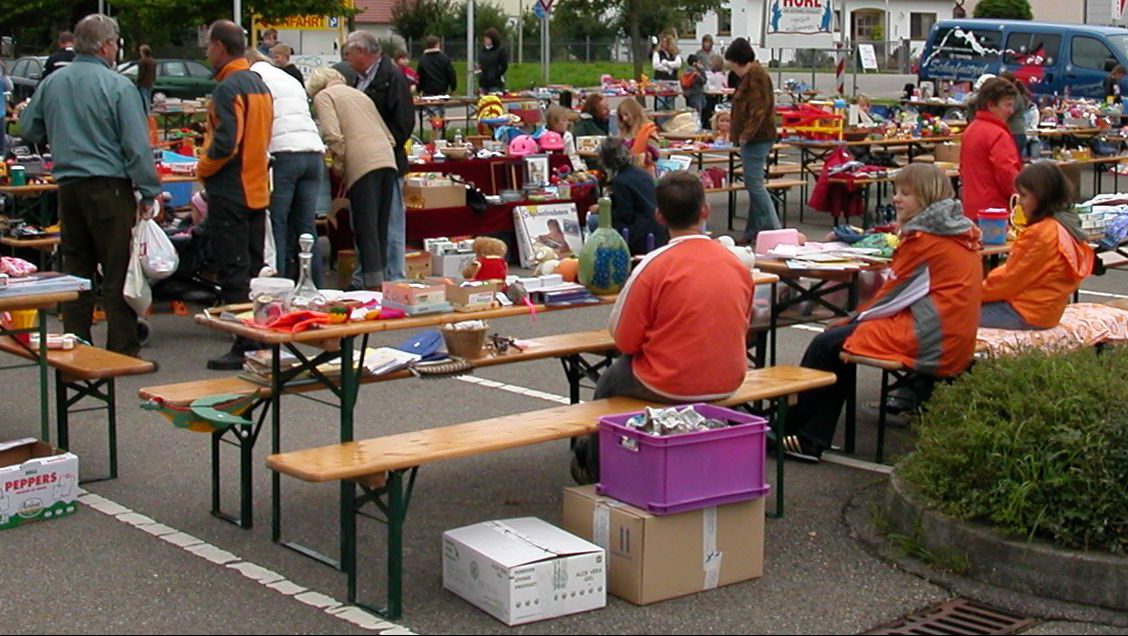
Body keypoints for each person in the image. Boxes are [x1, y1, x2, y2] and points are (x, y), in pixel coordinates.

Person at [779, 164, 982, 463]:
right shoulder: (954, 230)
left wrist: (852, 318)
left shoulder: (926, 240)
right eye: (895, 192)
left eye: (905, 193)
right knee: (838, 339)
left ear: (926, 198)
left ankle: (803, 435)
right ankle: (806, 433)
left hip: (931, 335)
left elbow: (895, 296)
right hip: (951, 330)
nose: (896, 199)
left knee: (829, 344)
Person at [571, 171, 754, 483]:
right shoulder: (737, 264)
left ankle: (594, 462)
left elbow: (625, 340)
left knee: (609, 381)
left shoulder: (655, 265)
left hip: (668, 382)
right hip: (729, 377)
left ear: (659, 215)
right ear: (705, 210)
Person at [20, 14, 161, 358]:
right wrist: (148, 190)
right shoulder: (117, 86)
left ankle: (77, 342)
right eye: (115, 43)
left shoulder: (53, 82)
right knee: (117, 270)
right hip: (110, 186)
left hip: (69, 186)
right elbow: (136, 145)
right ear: (106, 45)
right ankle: (122, 348)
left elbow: (28, 129)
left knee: (77, 269)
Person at [198, 20, 275, 370]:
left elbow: (226, 143)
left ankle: (244, 343)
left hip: (232, 189)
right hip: (257, 186)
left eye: (208, 45)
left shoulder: (229, 87)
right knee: (253, 269)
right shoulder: (259, 84)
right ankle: (257, 336)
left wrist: (202, 167)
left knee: (233, 271)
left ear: (219, 46)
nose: (205, 51)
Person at [307, 68, 398, 290]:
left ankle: (372, 287)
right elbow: (388, 135)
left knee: (366, 227)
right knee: (381, 226)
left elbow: (333, 135)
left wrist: (338, 165)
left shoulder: (324, 97)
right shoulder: (359, 94)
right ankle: (383, 281)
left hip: (362, 162)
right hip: (387, 158)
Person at [981, 162, 1093, 330]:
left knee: (949, 316)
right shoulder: (1066, 224)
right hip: (1048, 311)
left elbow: (1010, 279)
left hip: (1025, 313)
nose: (1019, 202)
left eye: (1024, 195)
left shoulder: (1041, 233)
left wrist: (972, 294)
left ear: (1042, 197)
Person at [246, 49, 325, 286]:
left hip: (283, 155)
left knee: (277, 224)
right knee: (306, 227)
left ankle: (278, 287)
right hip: (312, 151)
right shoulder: (288, 78)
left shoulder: (252, 78)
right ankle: (316, 285)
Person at [344, 30, 414, 282]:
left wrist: (385, 146)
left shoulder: (392, 77)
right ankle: (367, 275)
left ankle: (394, 277)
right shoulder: (358, 79)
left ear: (362, 51)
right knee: (365, 222)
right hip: (363, 164)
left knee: (391, 223)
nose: (346, 58)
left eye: (349, 52)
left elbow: (405, 122)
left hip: (388, 162)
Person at [726, 37, 780, 244]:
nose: (732, 68)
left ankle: (775, 231)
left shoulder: (756, 77)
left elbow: (759, 111)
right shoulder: (752, 75)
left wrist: (745, 136)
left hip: (757, 138)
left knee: (755, 185)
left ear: (739, 60)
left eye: (732, 63)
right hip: (756, 137)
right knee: (753, 183)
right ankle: (753, 230)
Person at [960, 77, 1021, 220]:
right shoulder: (998, 135)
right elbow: (1008, 175)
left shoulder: (971, 129)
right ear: (991, 105)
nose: (1011, 111)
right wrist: (1021, 197)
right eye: (1007, 105)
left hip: (971, 209)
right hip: (996, 212)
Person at [596, 140, 669, 255]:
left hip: (640, 234)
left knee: (595, 221)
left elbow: (625, 214)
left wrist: (604, 210)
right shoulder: (642, 173)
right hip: (660, 231)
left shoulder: (620, 181)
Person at [616, 97, 658, 167]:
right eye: (621, 116)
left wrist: (632, 159)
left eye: (626, 115)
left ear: (634, 113)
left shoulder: (649, 130)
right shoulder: (623, 132)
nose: (624, 119)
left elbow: (654, 155)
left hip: (643, 172)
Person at [999, 72, 1030, 158]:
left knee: (1012, 160)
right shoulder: (1012, 94)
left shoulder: (1014, 95)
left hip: (1015, 133)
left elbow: (1008, 112)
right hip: (1013, 133)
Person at [651, 34, 681, 111]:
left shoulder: (675, 54)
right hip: (660, 81)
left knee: (670, 105)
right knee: (660, 104)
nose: (663, 44)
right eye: (662, 42)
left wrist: (666, 63)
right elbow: (656, 65)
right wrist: (667, 68)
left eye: (666, 42)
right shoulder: (657, 53)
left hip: (672, 82)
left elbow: (678, 64)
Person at [477, 28, 509, 94]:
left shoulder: (500, 51)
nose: (485, 40)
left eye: (488, 38)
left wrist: (496, 75)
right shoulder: (482, 51)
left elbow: (504, 66)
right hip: (483, 83)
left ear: (493, 39)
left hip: (495, 84)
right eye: (485, 38)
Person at [681, 54, 706, 120]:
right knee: (697, 113)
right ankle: (696, 127)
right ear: (695, 63)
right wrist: (702, 70)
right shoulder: (696, 73)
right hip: (696, 93)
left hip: (688, 94)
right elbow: (703, 80)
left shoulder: (685, 71)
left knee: (690, 112)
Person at [136, 44, 156, 115]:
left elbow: (141, 73)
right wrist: (153, 80)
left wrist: (138, 81)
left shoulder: (142, 61)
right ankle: (148, 112)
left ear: (143, 52)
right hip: (150, 82)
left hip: (143, 83)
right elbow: (154, 73)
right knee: (148, 98)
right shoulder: (153, 61)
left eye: (141, 51)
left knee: (143, 98)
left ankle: (145, 113)